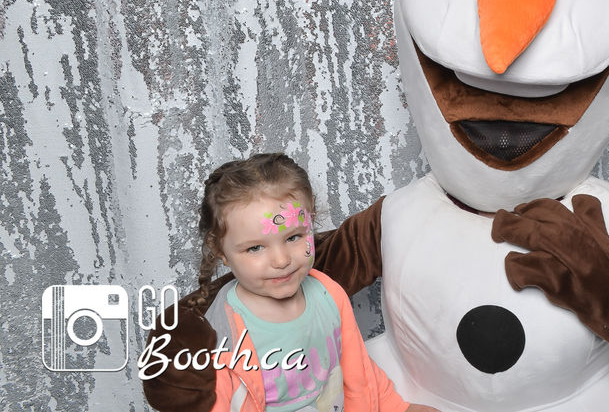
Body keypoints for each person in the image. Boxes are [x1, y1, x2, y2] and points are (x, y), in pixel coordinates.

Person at [142, 152, 437, 412]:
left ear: (311, 223)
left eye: (294, 237)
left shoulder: (327, 292)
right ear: (220, 251)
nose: (282, 260)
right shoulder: (225, 328)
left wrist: (395, 406)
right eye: (255, 248)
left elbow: (357, 368)